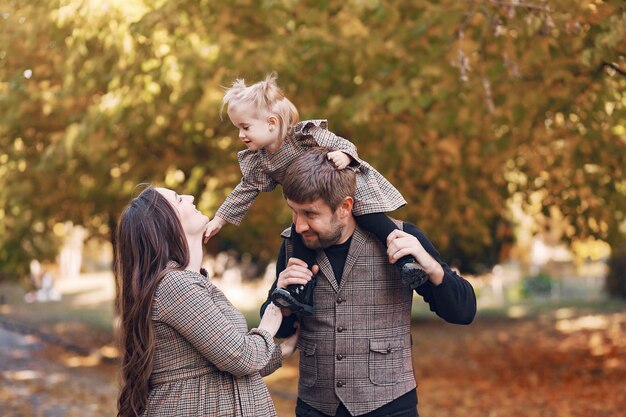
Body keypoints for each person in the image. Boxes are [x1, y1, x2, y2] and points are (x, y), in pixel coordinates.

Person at [260, 148, 477, 417]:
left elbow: (463, 312)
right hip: (315, 407)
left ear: (345, 207)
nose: (300, 225)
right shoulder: (294, 244)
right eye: (294, 212)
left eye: (310, 214)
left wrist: (431, 266)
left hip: (390, 406)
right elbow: (279, 331)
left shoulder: (401, 237)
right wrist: (280, 299)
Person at [204, 73, 427, 316]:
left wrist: (345, 156)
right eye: (238, 128)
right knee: (299, 244)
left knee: (374, 221)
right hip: (309, 207)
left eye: (245, 127)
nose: (240, 135)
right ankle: (300, 291)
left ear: (271, 122)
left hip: (345, 193)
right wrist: (220, 219)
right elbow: (245, 190)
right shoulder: (261, 161)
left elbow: (342, 143)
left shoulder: (302, 135)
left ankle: (407, 263)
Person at [115, 185, 298, 417]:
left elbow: (223, 367)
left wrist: (286, 348)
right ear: (165, 225)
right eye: (179, 199)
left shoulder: (192, 283)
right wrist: (268, 326)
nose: (191, 196)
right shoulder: (176, 286)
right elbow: (240, 358)